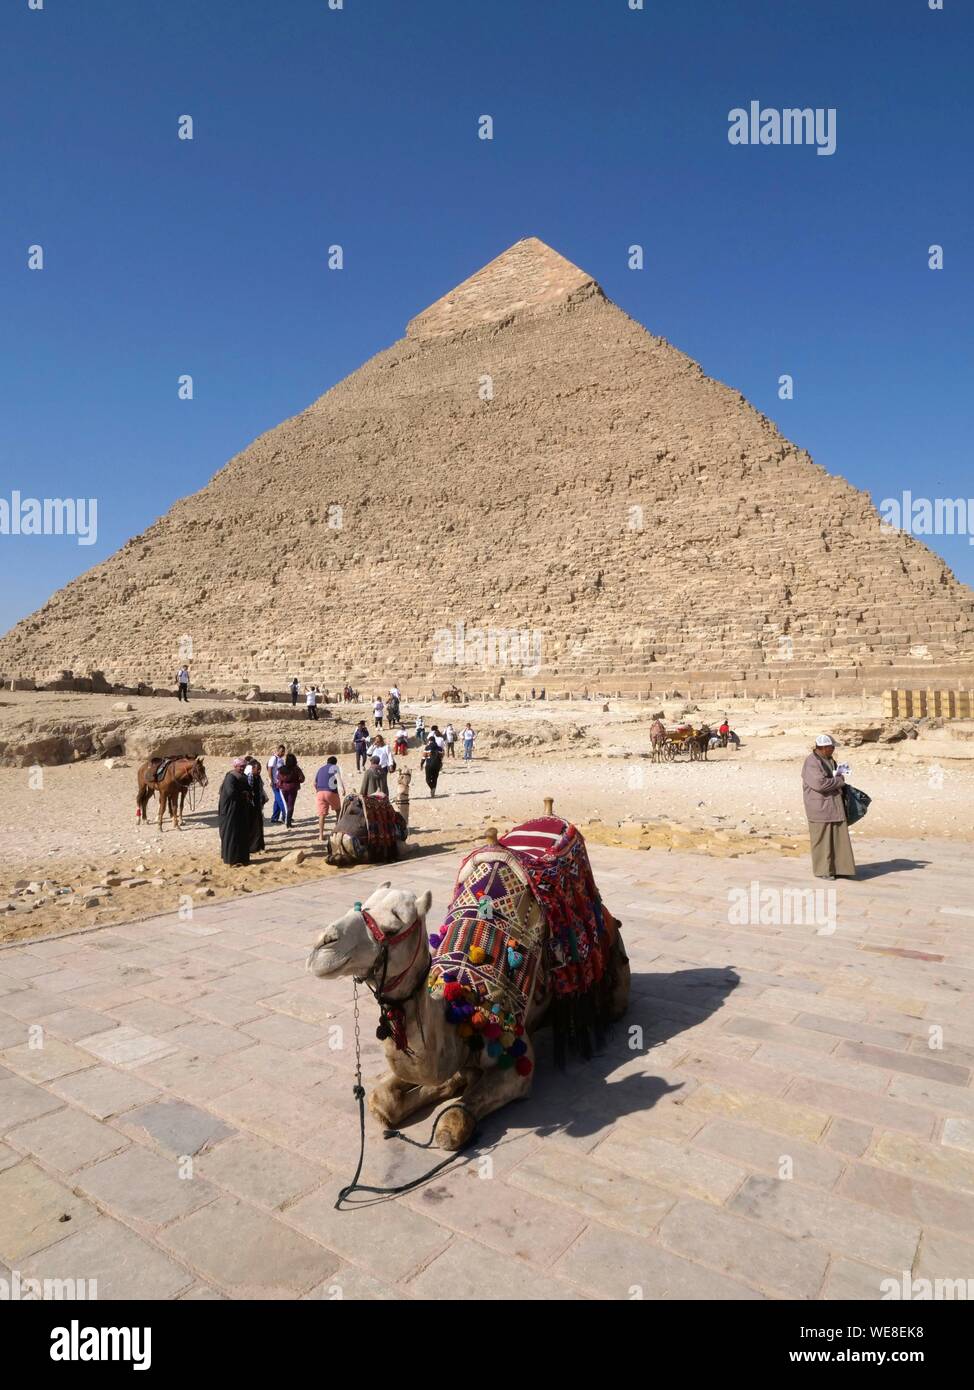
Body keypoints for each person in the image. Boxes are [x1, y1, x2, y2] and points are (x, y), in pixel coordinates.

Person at [802, 735, 856, 880]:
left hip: (834, 805)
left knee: (839, 838)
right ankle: (823, 871)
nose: (833, 749)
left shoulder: (829, 760)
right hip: (820, 807)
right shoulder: (811, 762)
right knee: (822, 841)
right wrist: (839, 781)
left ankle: (841, 869)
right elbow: (819, 784)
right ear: (824, 748)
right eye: (831, 747)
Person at [218, 758, 252, 865]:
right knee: (231, 834)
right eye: (240, 766)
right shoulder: (230, 777)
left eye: (243, 766)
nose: (242, 768)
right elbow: (231, 792)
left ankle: (242, 859)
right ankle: (231, 859)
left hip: (240, 810)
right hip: (230, 810)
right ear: (235, 766)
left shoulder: (244, 777)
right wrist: (243, 794)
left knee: (242, 834)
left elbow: (248, 789)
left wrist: (248, 793)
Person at [315, 755, 345, 840]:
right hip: (331, 792)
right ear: (335, 763)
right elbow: (338, 778)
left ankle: (320, 835)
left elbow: (314, 783)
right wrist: (342, 789)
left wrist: (318, 791)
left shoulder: (320, 769)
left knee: (322, 815)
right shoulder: (335, 768)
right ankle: (337, 832)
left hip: (320, 792)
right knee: (338, 811)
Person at [245, 756, 268, 852]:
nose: (259, 771)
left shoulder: (257, 777)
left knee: (259, 826)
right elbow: (250, 791)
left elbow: (260, 789)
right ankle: (253, 847)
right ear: (252, 768)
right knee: (254, 827)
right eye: (257, 769)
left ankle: (259, 846)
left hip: (258, 805)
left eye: (260, 770)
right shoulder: (250, 777)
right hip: (252, 806)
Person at [278, 752, 305, 827]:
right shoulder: (296, 769)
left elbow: (279, 779)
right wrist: (297, 781)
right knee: (291, 805)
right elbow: (302, 778)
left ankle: (284, 818)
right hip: (293, 788)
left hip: (283, 788)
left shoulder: (282, 769)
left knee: (285, 804)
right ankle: (288, 822)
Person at [266, 744, 287, 824]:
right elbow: (270, 769)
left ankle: (274, 817)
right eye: (281, 751)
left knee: (277, 800)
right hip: (275, 782)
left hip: (280, 782)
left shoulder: (280, 759)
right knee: (280, 799)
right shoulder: (273, 758)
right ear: (277, 751)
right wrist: (271, 780)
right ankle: (285, 815)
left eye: (283, 752)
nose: (283, 753)